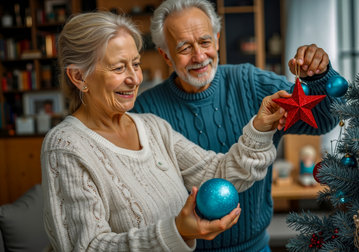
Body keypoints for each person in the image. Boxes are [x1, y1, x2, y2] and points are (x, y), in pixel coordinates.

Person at [40, 11, 290, 252]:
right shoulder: (66, 146)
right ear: (79, 76)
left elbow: (218, 173)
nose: (134, 78)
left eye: (135, 64)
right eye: (118, 68)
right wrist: (177, 232)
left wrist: (260, 128)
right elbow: (86, 247)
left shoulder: (152, 127)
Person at [132, 0, 343, 251]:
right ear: (166, 55)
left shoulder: (250, 83)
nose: (199, 56)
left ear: (217, 39)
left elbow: (325, 119)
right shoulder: (144, 110)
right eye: (184, 47)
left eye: (205, 41)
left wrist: (320, 76)